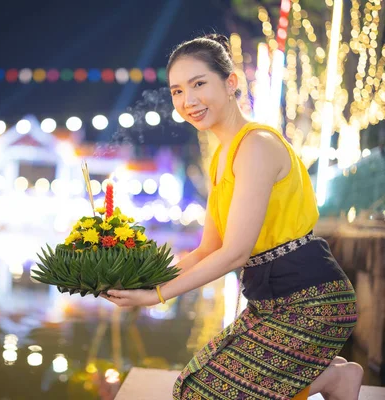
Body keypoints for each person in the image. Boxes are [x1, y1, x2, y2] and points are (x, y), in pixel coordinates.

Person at [101, 33, 363, 400]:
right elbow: (209, 248)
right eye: (177, 91)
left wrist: (157, 296)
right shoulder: (221, 156)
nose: (187, 100)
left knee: (205, 395)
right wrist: (144, 280)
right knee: (189, 387)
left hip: (314, 301)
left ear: (230, 83)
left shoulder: (257, 146)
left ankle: (329, 379)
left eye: (198, 84)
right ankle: (333, 376)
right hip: (268, 303)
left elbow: (236, 253)